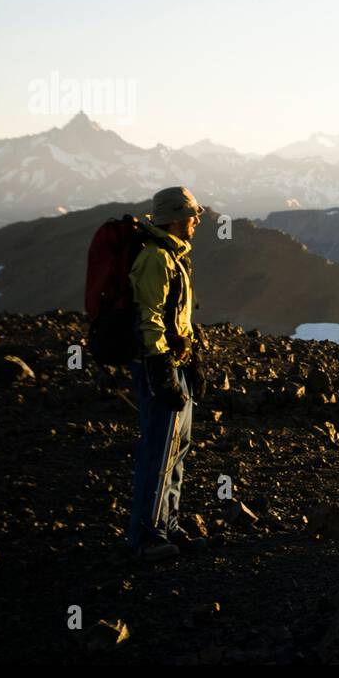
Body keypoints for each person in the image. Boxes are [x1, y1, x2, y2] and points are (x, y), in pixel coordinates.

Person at [126, 186, 209, 561]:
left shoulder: (174, 257)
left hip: (177, 366)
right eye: (194, 215)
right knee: (158, 450)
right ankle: (146, 535)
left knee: (176, 448)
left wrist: (193, 364)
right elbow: (151, 318)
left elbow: (178, 318)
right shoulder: (155, 258)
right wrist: (161, 372)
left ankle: (167, 525)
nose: (197, 221)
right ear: (177, 217)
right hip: (158, 367)